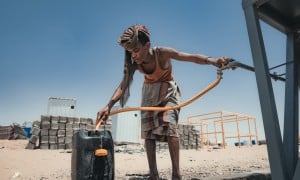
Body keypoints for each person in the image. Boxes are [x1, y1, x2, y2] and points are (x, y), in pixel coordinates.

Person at [97, 24, 228, 180]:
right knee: (149, 133)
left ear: (147, 46)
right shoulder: (133, 62)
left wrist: (213, 61)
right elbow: (123, 85)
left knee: (170, 126)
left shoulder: (162, 54)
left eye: (137, 50)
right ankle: (154, 175)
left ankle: (176, 174)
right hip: (149, 93)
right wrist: (108, 105)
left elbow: (190, 57)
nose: (134, 55)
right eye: (131, 52)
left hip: (168, 92)